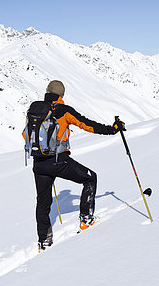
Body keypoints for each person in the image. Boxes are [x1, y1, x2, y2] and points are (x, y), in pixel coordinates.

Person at [26, 80, 125, 250]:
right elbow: (88, 125)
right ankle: (86, 219)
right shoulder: (64, 111)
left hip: (39, 164)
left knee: (42, 203)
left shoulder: (35, 111)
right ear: (61, 95)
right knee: (90, 178)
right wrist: (112, 129)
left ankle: (44, 241)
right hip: (59, 161)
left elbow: (25, 134)